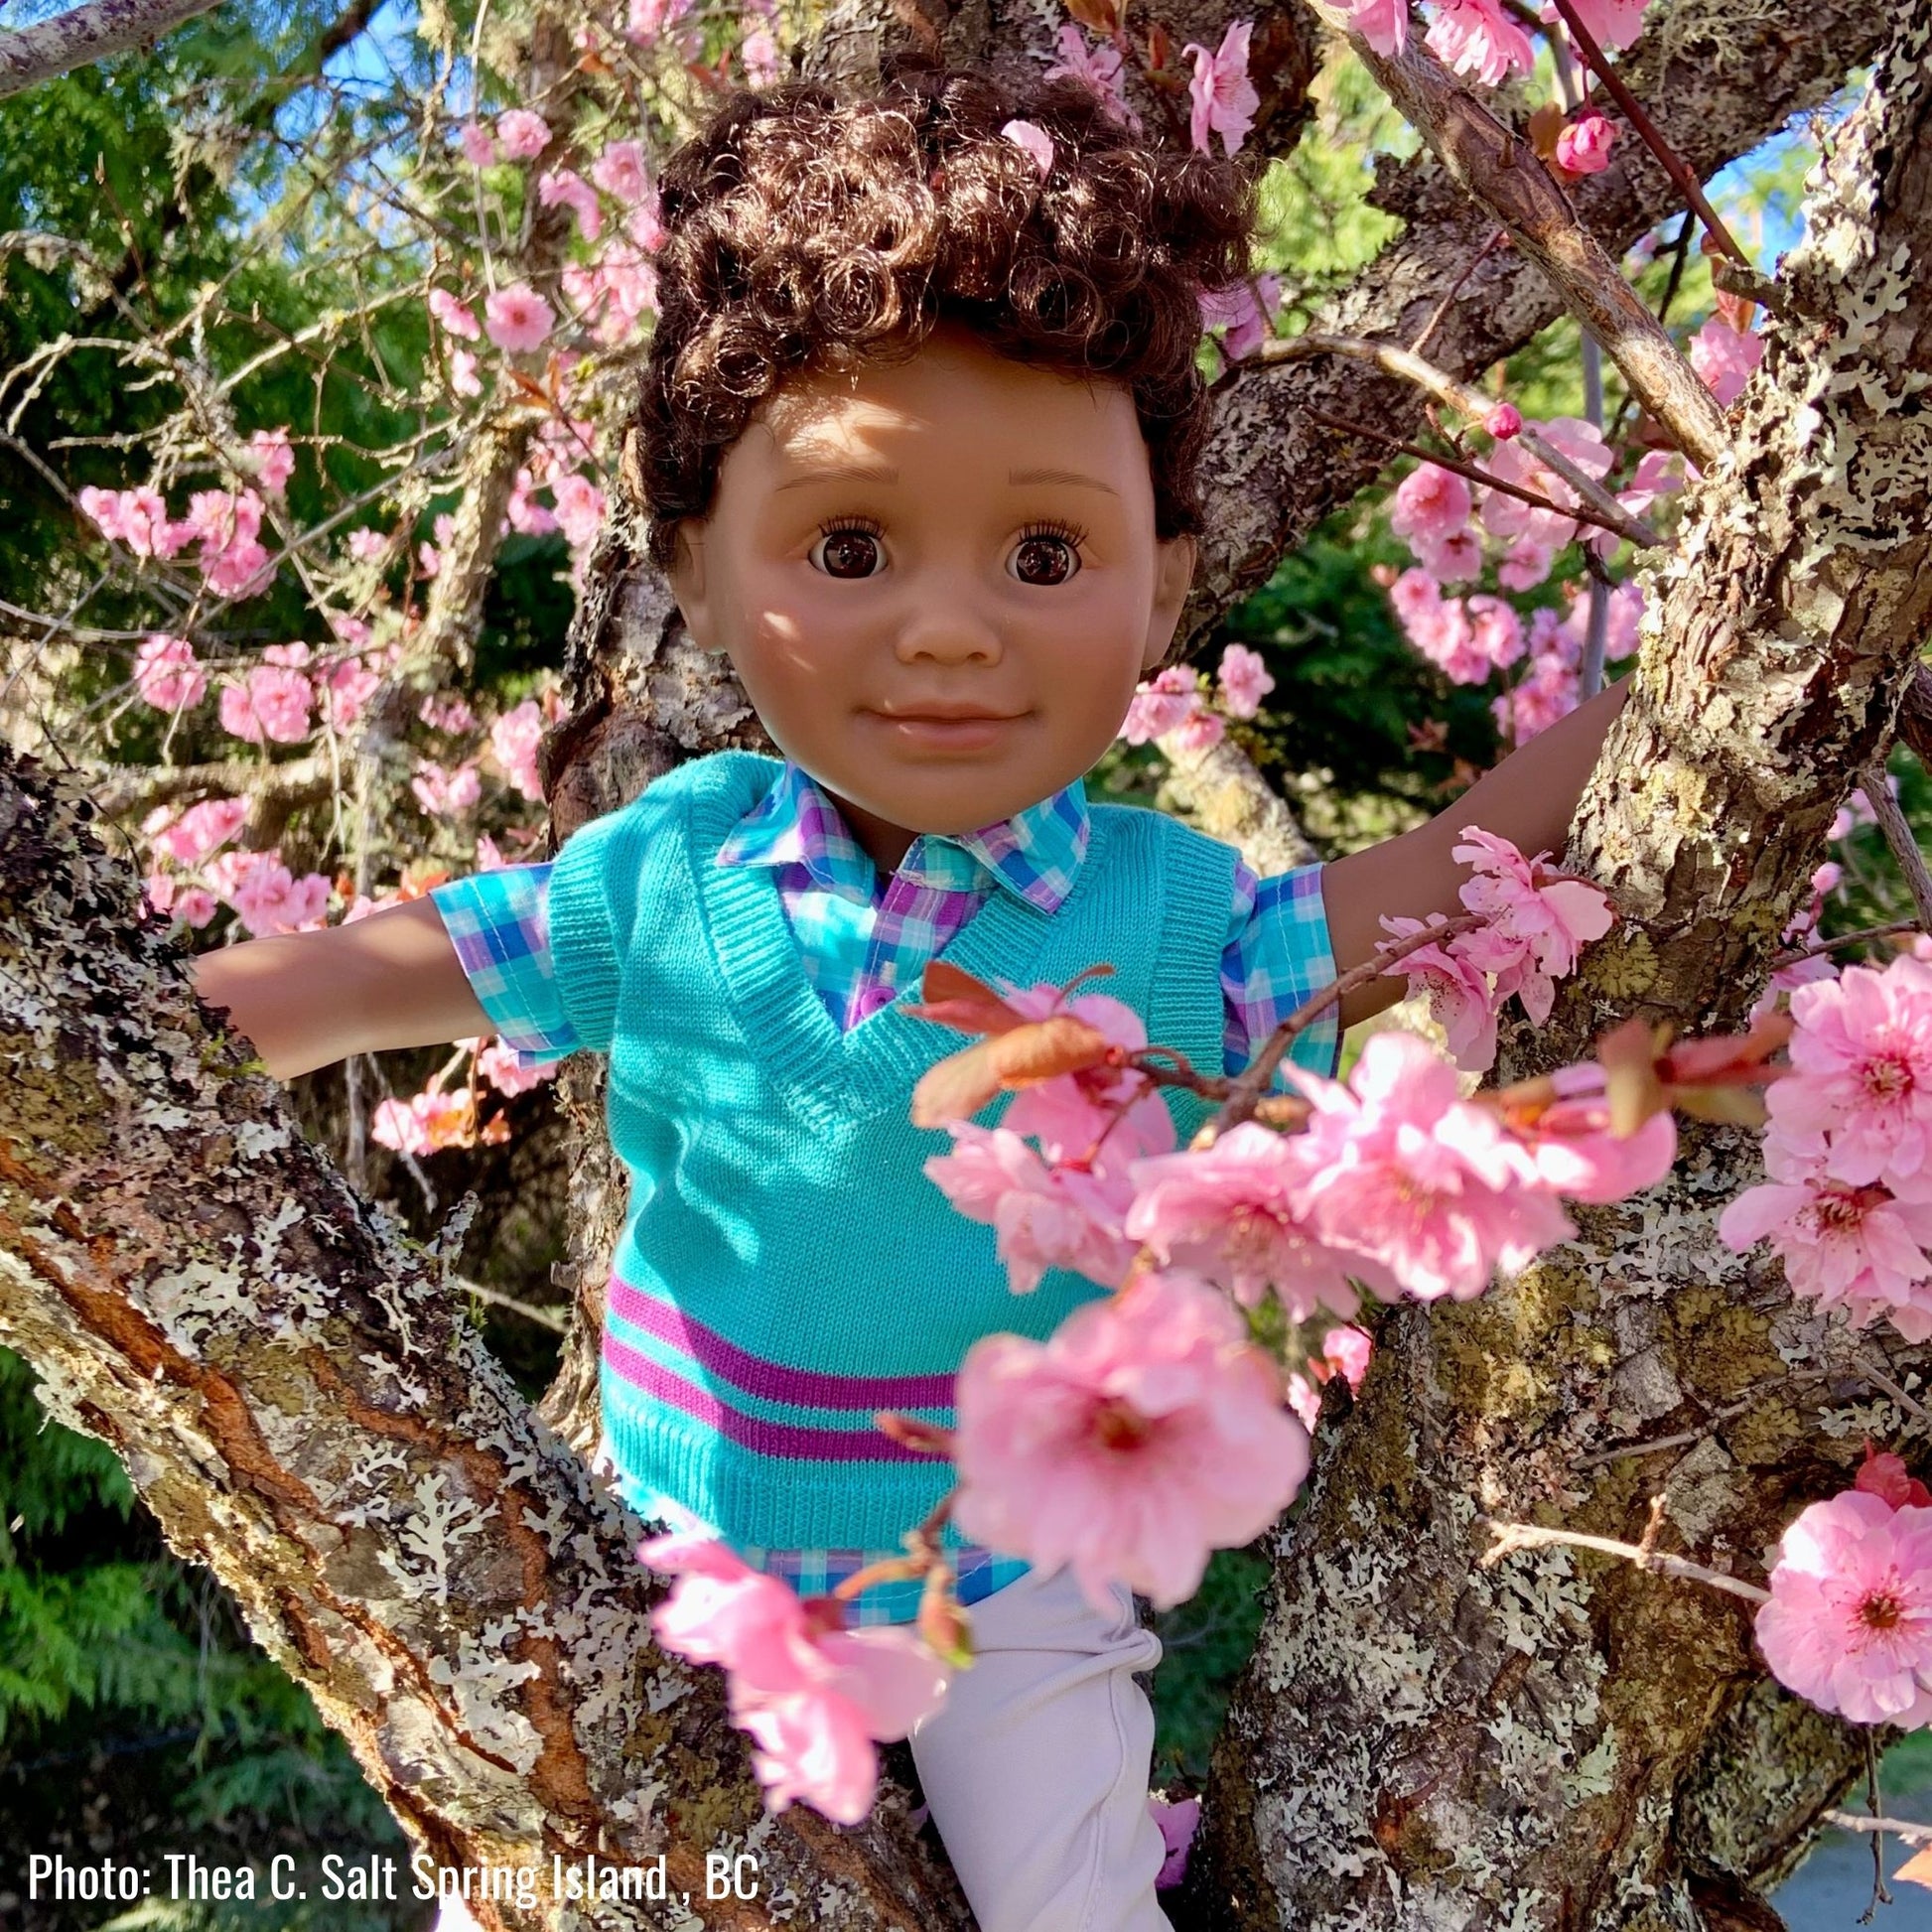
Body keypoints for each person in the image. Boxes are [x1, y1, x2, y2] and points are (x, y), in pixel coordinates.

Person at [191, 68, 1629, 1932]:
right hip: (676, 1536)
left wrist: (1662, 709)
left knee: (1069, 1906)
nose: (949, 627)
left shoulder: (1168, 914)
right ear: (696, 566)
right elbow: (418, 962)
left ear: (1164, 589)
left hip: (1008, 1572)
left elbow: (1413, 891)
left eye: (1044, 556)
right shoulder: (667, 865)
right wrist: (175, 1025)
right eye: (849, 549)